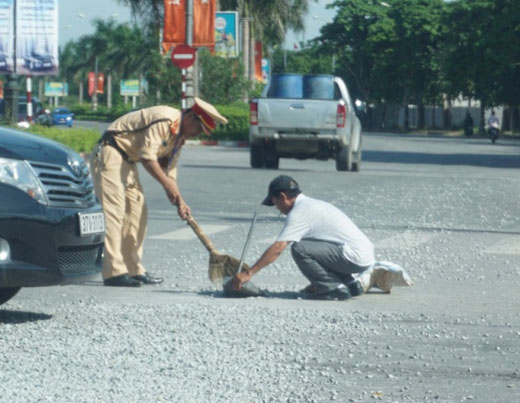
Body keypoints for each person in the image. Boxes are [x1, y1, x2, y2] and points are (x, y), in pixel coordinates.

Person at [92, 98, 228, 287]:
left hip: (128, 163)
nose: (196, 134)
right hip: (111, 153)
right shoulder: (165, 119)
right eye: (198, 129)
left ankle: (134, 269)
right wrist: (166, 186)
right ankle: (113, 272)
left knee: (138, 214)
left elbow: (169, 173)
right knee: (115, 214)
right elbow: (147, 158)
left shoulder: (179, 137)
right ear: (191, 116)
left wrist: (180, 202)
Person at [232, 175, 375, 300]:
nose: (277, 208)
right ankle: (349, 284)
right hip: (362, 255)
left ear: (283, 196)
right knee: (307, 244)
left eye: (275, 203)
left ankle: (332, 288)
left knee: (300, 248)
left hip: (354, 257)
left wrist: (248, 273)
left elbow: (278, 248)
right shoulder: (312, 204)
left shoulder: (299, 212)